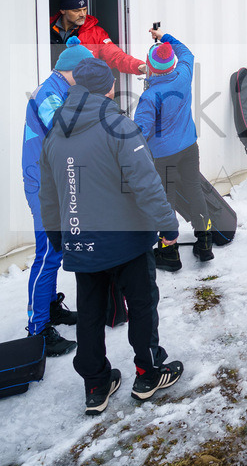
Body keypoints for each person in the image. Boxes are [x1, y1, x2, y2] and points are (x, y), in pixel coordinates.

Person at [39, 57, 183, 416]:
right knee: (142, 305)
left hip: (80, 240)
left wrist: (59, 237)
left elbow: (49, 195)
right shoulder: (119, 125)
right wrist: (167, 225)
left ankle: (96, 384)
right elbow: (145, 182)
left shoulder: (55, 133)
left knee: (90, 313)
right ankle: (149, 372)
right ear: (109, 88)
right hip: (126, 240)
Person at [22, 38, 92, 358]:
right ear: (73, 70)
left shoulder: (61, 87)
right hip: (43, 184)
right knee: (48, 253)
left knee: (56, 250)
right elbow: (64, 129)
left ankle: (50, 308)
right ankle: (38, 329)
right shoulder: (47, 94)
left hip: (54, 180)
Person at [133, 29, 212, 272]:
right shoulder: (183, 74)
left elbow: (140, 131)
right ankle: (205, 242)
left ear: (150, 67)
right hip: (189, 146)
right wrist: (165, 37)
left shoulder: (150, 96)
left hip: (163, 155)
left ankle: (169, 252)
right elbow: (187, 53)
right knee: (194, 189)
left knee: (166, 198)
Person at [49, 0, 148, 76]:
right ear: (63, 10)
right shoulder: (45, 29)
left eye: (84, 9)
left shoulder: (96, 33)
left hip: (80, 89)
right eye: (76, 11)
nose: (82, 14)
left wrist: (139, 66)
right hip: (50, 85)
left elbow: (116, 56)